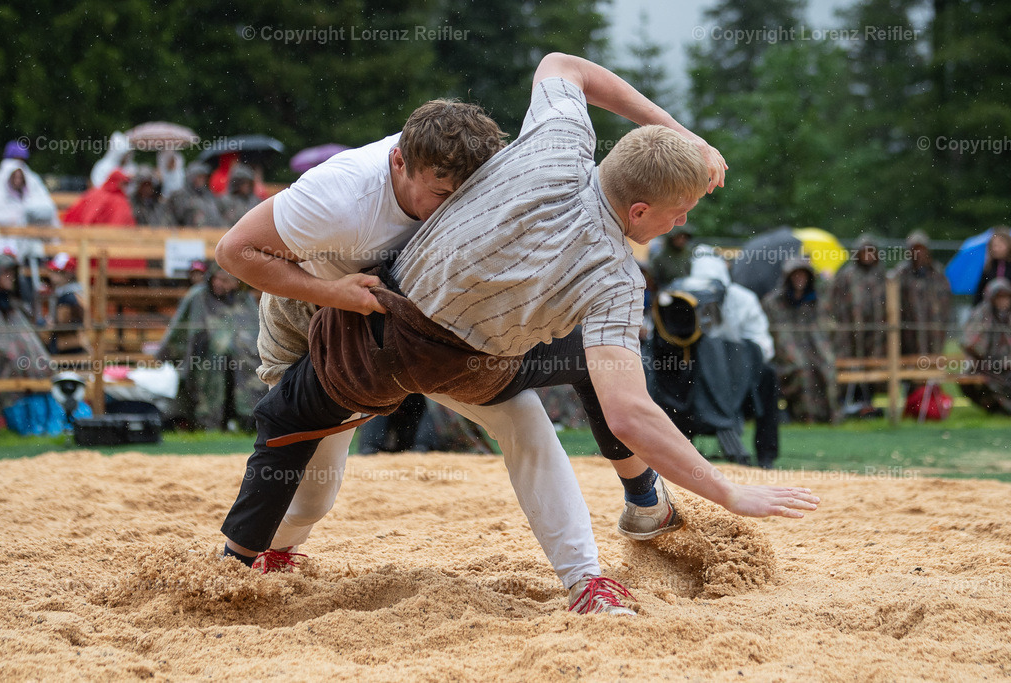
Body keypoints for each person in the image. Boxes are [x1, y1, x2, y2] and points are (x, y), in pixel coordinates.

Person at [217, 53, 818, 612]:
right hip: (356, 323)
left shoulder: (559, 143)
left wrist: (683, 138)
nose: (682, 221)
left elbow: (561, 65)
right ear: (638, 212)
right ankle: (252, 558)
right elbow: (631, 415)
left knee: (532, 414)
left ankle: (617, 538)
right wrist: (728, 491)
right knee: (305, 465)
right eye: (678, 210)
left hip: (399, 317)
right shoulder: (614, 277)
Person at [682, 247, 779, 467]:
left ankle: (766, 455)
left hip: (739, 379)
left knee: (769, 374)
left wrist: (733, 355)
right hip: (693, 378)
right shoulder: (682, 297)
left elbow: (764, 346)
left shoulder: (744, 300)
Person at [154, 264, 265, 430]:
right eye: (216, 278)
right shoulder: (198, 296)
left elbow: (255, 330)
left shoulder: (244, 299)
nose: (219, 283)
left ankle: (247, 420)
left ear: (236, 283)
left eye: (225, 280)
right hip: (203, 357)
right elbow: (180, 328)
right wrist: (167, 355)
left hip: (242, 360)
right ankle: (208, 421)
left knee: (249, 364)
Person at [762, 258, 840, 424]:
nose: (799, 279)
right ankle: (806, 417)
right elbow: (777, 337)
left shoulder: (815, 301)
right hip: (785, 358)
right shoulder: (774, 302)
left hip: (812, 351)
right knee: (802, 369)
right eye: (795, 275)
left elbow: (826, 329)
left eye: (803, 275)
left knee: (826, 367)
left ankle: (830, 415)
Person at [825, 234, 887, 413]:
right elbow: (832, 301)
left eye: (871, 251)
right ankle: (848, 400)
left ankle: (868, 400)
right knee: (850, 364)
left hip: (875, 333)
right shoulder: (847, 276)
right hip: (850, 332)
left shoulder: (881, 276)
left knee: (873, 364)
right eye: (863, 251)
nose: (867, 255)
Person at [0, 253, 50, 381]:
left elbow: (30, 344)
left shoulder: (14, 307)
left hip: (25, 380)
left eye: (12, 273)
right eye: (6, 273)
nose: (10, 277)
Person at [891, 231, 951, 357]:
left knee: (933, 359)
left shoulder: (937, 273)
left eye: (921, 249)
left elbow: (945, 303)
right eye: (915, 249)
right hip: (908, 331)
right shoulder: (901, 273)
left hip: (933, 330)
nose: (918, 253)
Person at [960, 277, 1011, 414]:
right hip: (983, 365)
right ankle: (995, 407)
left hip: (1005, 365)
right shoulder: (981, 314)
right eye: (999, 297)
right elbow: (969, 342)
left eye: (1006, 297)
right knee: (981, 380)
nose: (1003, 301)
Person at [45, 253, 89, 355]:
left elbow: (64, 325)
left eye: (56, 272)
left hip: (67, 348)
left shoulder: (68, 297)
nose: (51, 275)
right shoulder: (69, 294)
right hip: (68, 346)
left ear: (67, 274)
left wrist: (48, 324)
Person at [64, 169, 136, 226]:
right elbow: (120, 225)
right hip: (104, 237)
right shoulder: (119, 201)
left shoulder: (93, 193)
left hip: (80, 233)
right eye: (125, 183)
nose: (126, 187)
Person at [168, 163, 225, 227]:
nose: (202, 180)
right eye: (199, 177)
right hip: (189, 232)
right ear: (191, 177)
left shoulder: (208, 195)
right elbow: (179, 215)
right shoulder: (180, 195)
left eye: (204, 177)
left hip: (212, 231)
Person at [648, 225, 694, 291]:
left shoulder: (687, 254)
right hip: (665, 290)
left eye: (684, 238)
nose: (681, 240)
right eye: (679, 237)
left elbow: (688, 273)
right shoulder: (660, 257)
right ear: (672, 238)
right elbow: (654, 279)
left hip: (684, 289)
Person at [974, 227, 1011, 306]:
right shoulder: (988, 268)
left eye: (1000, 245)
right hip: (991, 308)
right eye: (994, 246)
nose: (996, 249)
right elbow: (979, 292)